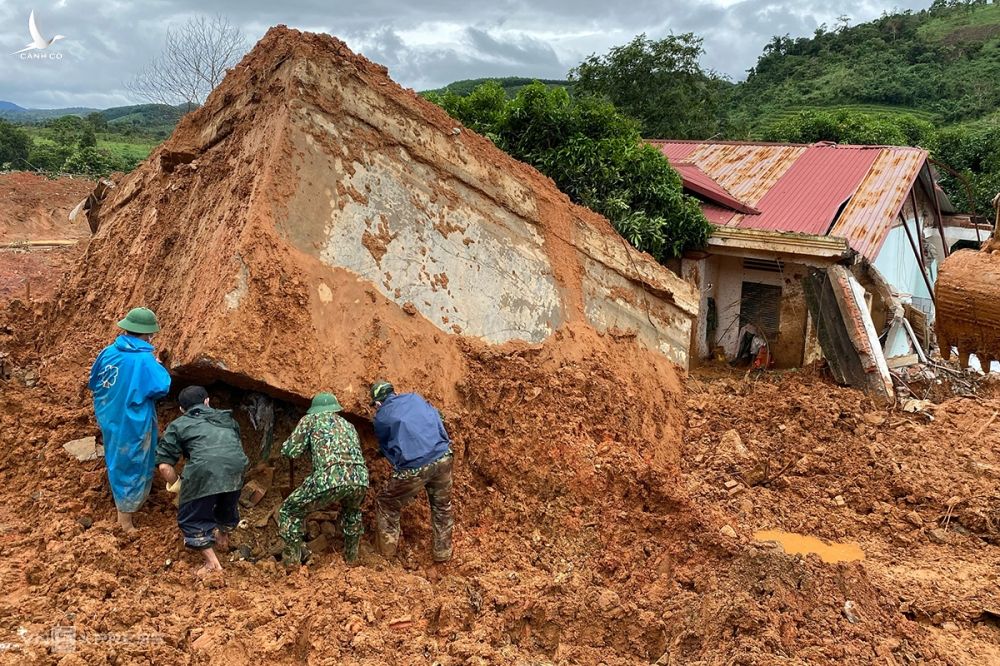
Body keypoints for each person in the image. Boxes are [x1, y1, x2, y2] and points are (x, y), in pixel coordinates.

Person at [88, 307, 171, 532]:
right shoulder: (143, 359)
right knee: (132, 460)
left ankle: (130, 503)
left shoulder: (108, 351)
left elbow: (93, 381)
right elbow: (162, 386)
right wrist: (158, 365)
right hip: (132, 419)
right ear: (146, 335)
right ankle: (124, 521)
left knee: (117, 455)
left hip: (108, 414)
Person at [156, 386, 249, 576]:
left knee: (191, 519)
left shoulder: (179, 425)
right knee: (226, 503)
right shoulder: (227, 419)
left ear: (182, 409)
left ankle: (212, 565)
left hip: (203, 470)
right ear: (207, 401)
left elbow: (164, 467)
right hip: (236, 468)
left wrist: (179, 486)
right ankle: (222, 538)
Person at [278, 392, 368, 567]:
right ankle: (351, 558)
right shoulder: (348, 425)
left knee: (288, 511)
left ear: (315, 410)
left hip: (330, 477)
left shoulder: (310, 420)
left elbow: (290, 451)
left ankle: (291, 564)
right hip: (360, 478)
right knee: (352, 511)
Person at [370, 380, 454, 563]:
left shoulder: (381, 417)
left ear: (377, 403)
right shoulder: (414, 398)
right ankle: (443, 553)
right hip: (443, 456)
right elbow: (436, 416)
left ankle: (384, 556)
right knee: (442, 506)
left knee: (386, 503)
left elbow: (385, 446)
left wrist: (397, 464)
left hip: (415, 466)